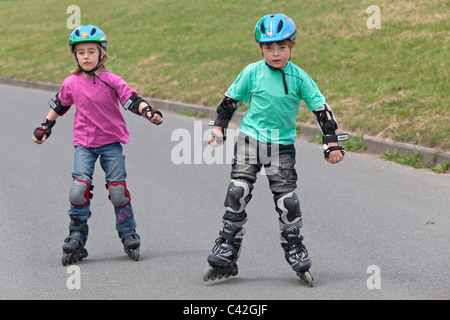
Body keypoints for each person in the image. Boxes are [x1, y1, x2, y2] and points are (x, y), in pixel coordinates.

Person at [203, 13, 346, 285]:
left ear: (292, 45)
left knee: (287, 201)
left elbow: (320, 109)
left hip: (281, 146)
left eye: (281, 46)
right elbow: (229, 101)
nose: (275, 53)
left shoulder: (299, 77)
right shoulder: (252, 72)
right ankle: (227, 246)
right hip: (250, 140)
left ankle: (294, 245)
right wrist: (219, 128)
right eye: (269, 48)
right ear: (261, 49)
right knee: (238, 191)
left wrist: (331, 141)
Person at [32, 25, 163, 265]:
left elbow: (131, 99)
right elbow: (60, 105)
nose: (86, 56)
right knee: (78, 189)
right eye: (80, 52)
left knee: (118, 191)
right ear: (75, 56)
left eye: (91, 51)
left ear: (101, 53)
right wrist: (45, 127)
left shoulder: (111, 80)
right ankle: (76, 235)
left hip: (110, 142)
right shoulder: (71, 82)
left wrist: (148, 112)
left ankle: (128, 232)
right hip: (84, 143)